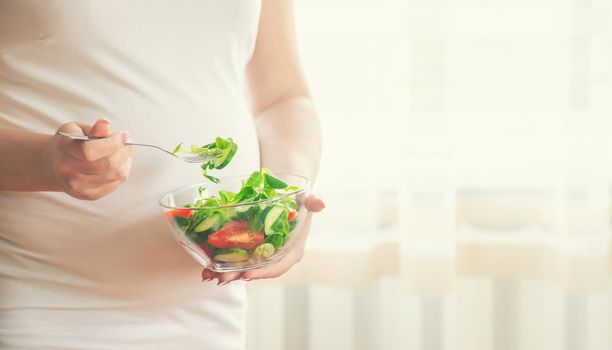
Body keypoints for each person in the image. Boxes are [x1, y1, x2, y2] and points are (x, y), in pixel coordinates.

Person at [0, 1, 324, 349]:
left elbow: (282, 98)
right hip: (42, 307)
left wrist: (289, 191)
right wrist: (44, 162)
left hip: (210, 314)